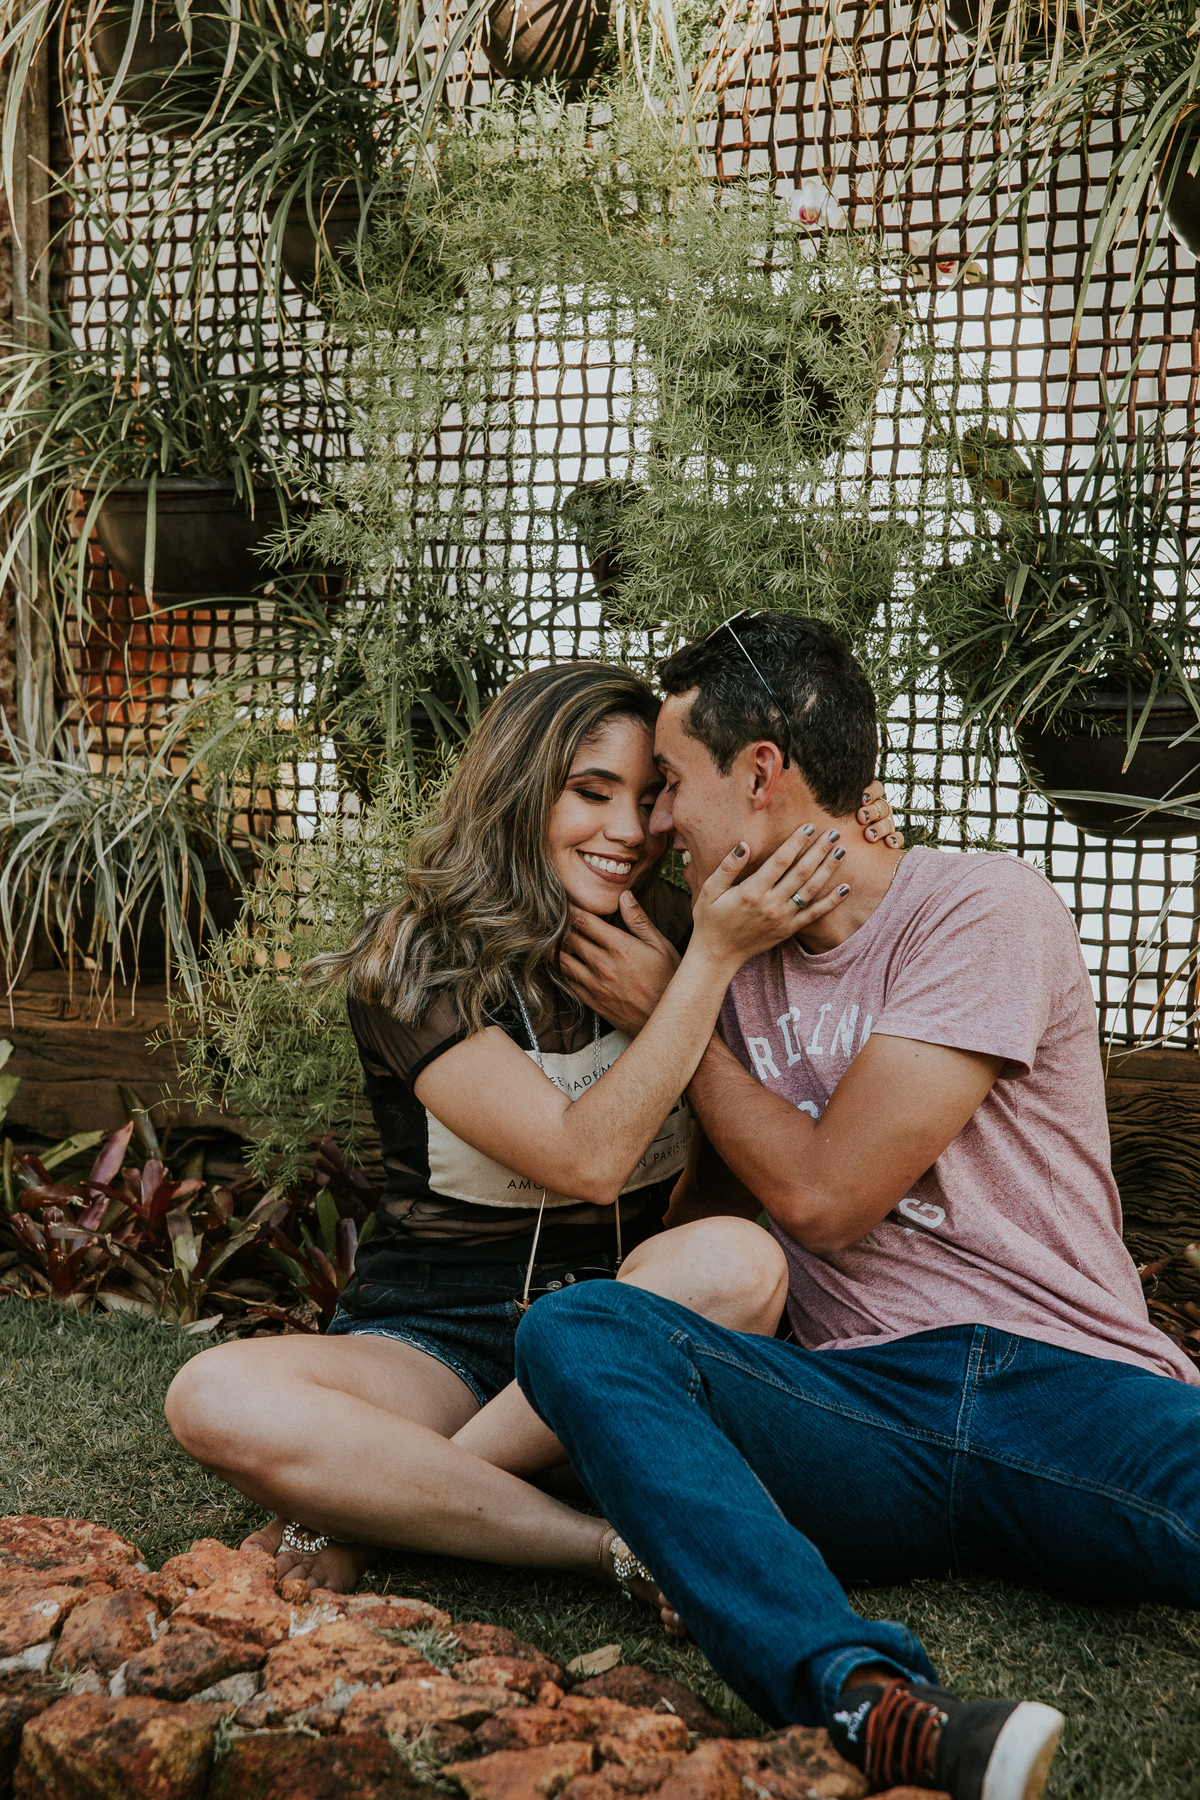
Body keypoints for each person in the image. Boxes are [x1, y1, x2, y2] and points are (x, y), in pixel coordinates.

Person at [513, 613, 1200, 1800]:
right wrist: (693, 992)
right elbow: (719, 1219)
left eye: (672, 783)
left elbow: (827, 1200)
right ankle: (863, 1698)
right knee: (578, 1331)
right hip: (861, 1411)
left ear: (764, 774)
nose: (658, 820)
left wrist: (673, 998)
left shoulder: (983, 907)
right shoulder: (723, 960)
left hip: (1068, 1387)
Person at [165, 660, 898, 1600]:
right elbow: (584, 1158)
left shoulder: (686, 925)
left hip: (609, 1332)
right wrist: (703, 968)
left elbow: (836, 877)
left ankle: (387, 1503)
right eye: (591, 794)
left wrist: (865, 824)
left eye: (651, 796)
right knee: (216, 1397)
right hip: (432, 1340)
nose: (629, 833)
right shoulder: (416, 959)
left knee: (741, 1263)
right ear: (519, 789)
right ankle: (598, 1544)